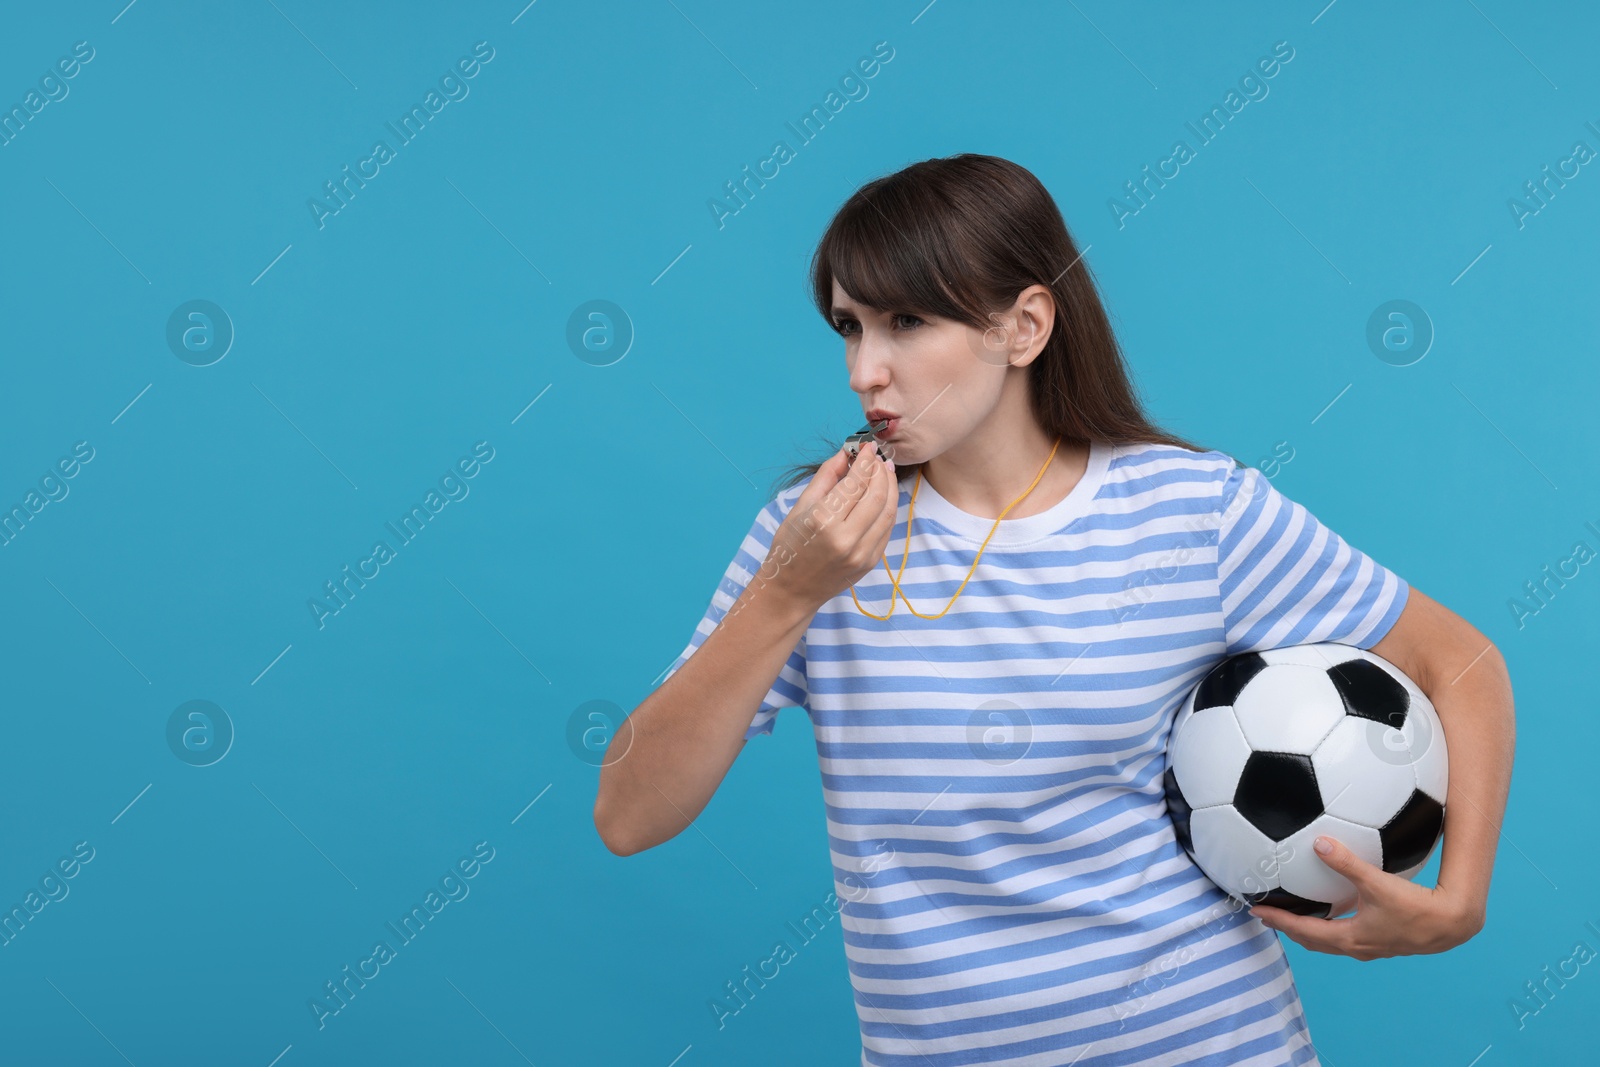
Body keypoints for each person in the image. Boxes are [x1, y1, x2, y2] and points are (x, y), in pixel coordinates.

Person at [594, 154, 1514, 1066]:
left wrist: (1460, 894)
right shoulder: (816, 537)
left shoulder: (1194, 512)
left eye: (906, 321)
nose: (863, 371)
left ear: (1025, 325)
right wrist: (785, 595)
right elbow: (628, 815)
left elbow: (1460, 662)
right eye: (848, 325)